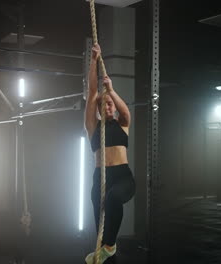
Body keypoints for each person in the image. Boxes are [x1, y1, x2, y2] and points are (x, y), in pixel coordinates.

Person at [84, 43, 136, 264]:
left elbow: (126, 111)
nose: (107, 107)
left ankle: (110, 247)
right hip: (101, 178)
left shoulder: (122, 124)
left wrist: (112, 91)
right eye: (103, 104)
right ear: (98, 109)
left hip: (123, 178)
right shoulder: (93, 128)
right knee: (100, 232)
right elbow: (92, 93)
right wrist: (94, 59)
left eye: (110, 104)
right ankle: (106, 249)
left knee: (114, 198)